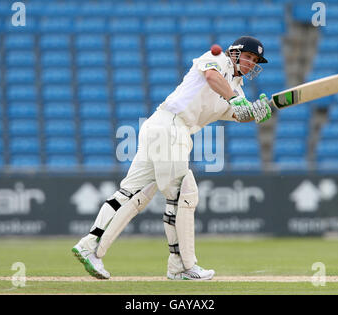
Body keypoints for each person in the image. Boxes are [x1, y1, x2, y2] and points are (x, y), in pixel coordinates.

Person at [72, 36, 272, 280]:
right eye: (249, 57)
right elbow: (212, 78)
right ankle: (183, 267)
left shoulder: (236, 88)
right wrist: (236, 100)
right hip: (171, 125)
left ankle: (89, 245)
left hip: (162, 128)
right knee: (183, 195)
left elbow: (239, 114)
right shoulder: (218, 58)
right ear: (235, 53)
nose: (251, 63)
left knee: (133, 193)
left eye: (255, 61)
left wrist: (259, 111)